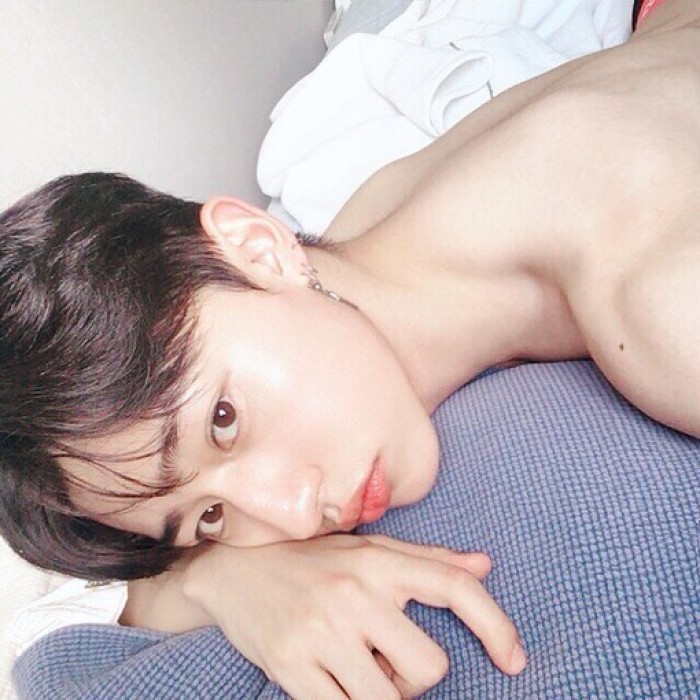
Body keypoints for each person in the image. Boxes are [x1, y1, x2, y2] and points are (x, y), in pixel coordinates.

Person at [1, 0, 698, 697]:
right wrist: (219, 577)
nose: (295, 512)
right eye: (210, 519)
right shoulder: (355, 240)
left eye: (224, 421)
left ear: (257, 244)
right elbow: (81, 606)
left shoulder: (658, 306)